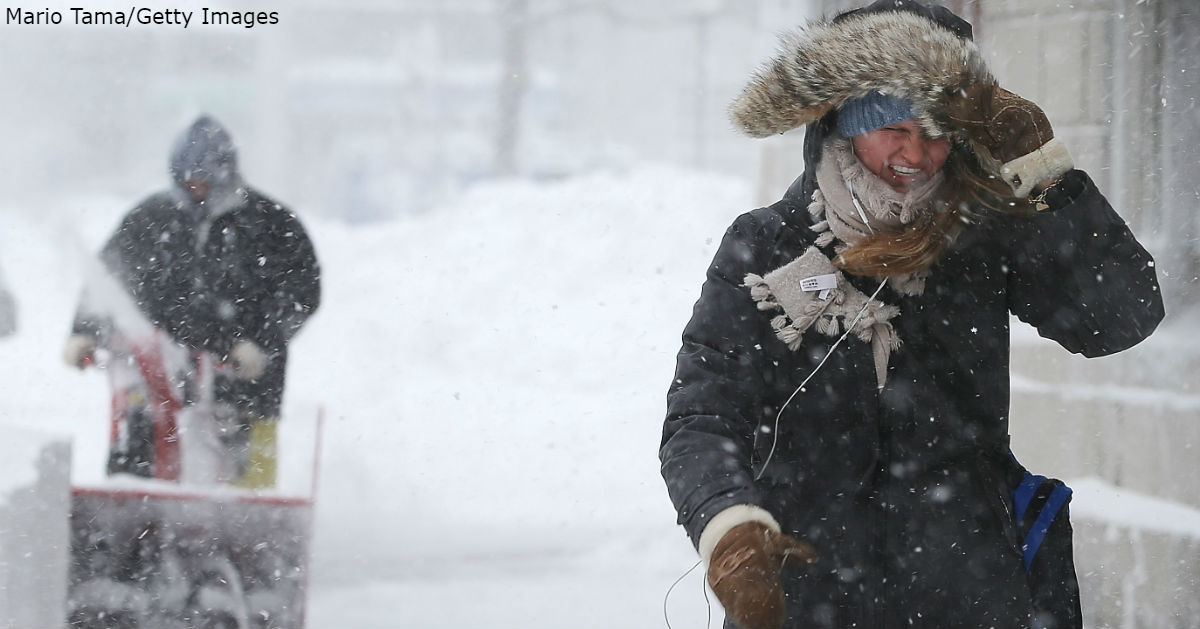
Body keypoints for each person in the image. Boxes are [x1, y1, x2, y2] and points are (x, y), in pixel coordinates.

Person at [658, 2, 1164, 628]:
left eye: (935, 131)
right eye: (892, 125)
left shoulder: (984, 238)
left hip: (968, 591)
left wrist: (1044, 173)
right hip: (805, 595)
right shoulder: (769, 244)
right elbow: (703, 415)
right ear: (843, 120)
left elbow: (1119, 316)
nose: (916, 153)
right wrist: (730, 529)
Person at [63, 114, 321, 489]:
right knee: (139, 465)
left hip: (246, 387)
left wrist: (261, 345)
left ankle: (244, 535)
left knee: (246, 488)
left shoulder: (271, 224)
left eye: (205, 179)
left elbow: (302, 294)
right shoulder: (149, 219)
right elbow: (107, 280)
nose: (196, 187)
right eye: (188, 179)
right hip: (160, 376)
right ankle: (134, 523)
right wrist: (85, 331)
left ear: (226, 173)